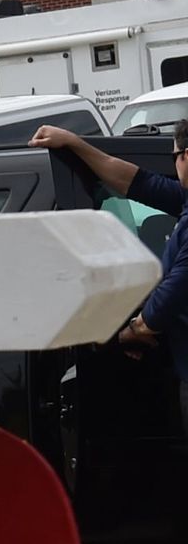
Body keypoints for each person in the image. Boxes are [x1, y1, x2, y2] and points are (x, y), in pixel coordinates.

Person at [30, 123, 188, 378]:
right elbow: (136, 181)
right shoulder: (184, 198)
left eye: (174, 157)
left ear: (186, 156)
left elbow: (170, 296)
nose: (173, 166)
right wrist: (74, 142)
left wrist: (130, 333)